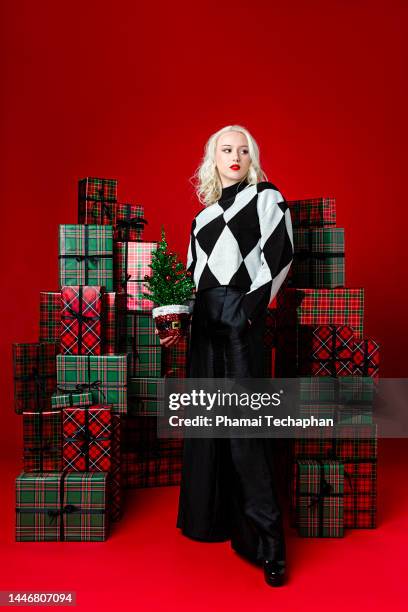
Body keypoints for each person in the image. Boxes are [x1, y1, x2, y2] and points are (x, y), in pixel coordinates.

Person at [158, 124, 294, 587]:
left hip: (240, 316)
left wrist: (249, 313)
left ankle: (268, 542)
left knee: (243, 429)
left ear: (252, 156)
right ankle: (213, 522)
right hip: (205, 323)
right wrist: (179, 322)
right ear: (212, 159)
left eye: (242, 149)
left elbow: (281, 257)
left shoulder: (267, 198)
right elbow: (195, 276)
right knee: (207, 422)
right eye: (225, 149)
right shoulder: (201, 218)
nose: (234, 155)